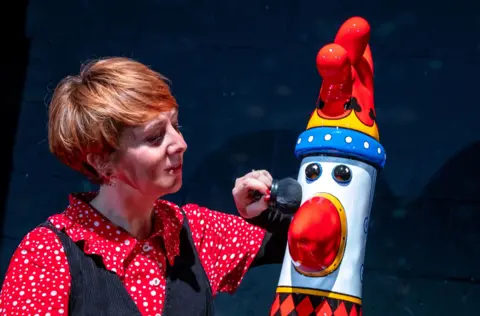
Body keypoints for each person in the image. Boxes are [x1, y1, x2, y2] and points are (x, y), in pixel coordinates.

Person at [0, 57, 291, 316]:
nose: (180, 144)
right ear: (102, 162)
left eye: (175, 126)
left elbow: (313, 243)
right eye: (154, 137)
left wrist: (264, 211)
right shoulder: (48, 254)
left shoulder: (194, 232)